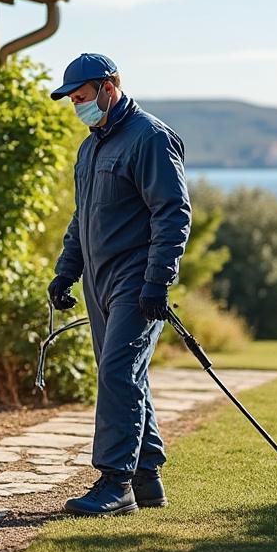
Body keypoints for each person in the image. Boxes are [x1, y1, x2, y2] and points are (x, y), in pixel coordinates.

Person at [48, 53, 191, 516]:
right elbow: (82, 217)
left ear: (109, 88)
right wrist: (66, 271)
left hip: (137, 280)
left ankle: (116, 483)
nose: (78, 106)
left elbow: (173, 214)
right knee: (127, 376)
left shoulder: (150, 137)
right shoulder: (90, 148)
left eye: (82, 97)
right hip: (99, 280)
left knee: (117, 373)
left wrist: (158, 282)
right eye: (73, 100)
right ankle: (147, 479)